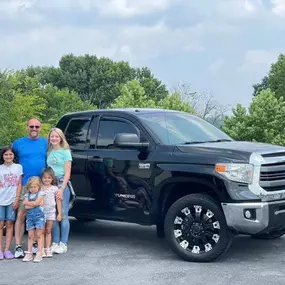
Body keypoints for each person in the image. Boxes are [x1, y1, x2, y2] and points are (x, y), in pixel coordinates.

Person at [13, 118, 48, 258]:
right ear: (27, 127)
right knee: (21, 215)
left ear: (41, 127)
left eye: (37, 126)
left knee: (38, 216)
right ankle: (18, 246)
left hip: (41, 186)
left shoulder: (45, 143)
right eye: (31, 126)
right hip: (24, 186)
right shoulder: (18, 143)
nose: (34, 129)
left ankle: (34, 244)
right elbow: (10, 160)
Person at [47, 128, 72, 254]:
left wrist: (62, 189)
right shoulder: (49, 151)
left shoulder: (65, 152)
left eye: (57, 137)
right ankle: (55, 242)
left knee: (63, 214)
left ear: (61, 138)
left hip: (62, 183)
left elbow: (68, 172)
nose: (54, 139)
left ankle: (63, 243)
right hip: (50, 184)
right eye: (52, 136)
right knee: (53, 213)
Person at [0, 147, 23, 260]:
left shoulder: (18, 168)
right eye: (6, 155)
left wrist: (17, 199)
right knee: (0, 225)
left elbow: (19, 184)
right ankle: (0, 250)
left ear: (14, 156)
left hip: (12, 200)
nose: (8, 157)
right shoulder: (0, 168)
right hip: (0, 200)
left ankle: (7, 250)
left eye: (10, 154)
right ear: (2, 156)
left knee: (10, 224)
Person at [22, 177, 45, 262]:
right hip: (30, 217)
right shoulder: (26, 195)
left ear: (39, 187)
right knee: (30, 235)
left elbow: (37, 203)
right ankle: (29, 253)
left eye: (35, 187)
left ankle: (39, 253)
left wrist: (31, 203)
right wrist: (34, 204)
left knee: (39, 235)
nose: (33, 189)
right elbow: (26, 206)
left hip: (39, 217)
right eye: (31, 187)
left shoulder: (41, 194)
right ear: (28, 188)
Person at [41, 167, 62, 258]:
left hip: (51, 212)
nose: (47, 180)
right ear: (42, 178)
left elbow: (58, 201)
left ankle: (48, 248)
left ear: (52, 179)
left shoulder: (55, 188)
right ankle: (41, 249)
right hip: (41, 213)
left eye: (49, 178)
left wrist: (60, 213)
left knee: (48, 231)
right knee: (41, 231)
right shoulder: (40, 188)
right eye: (45, 178)